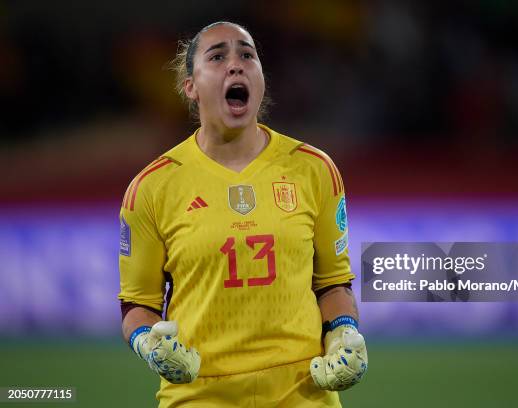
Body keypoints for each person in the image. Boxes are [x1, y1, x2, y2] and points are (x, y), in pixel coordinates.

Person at [117, 21, 368, 407]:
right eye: (217, 56)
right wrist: (149, 345)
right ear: (191, 86)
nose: (236, 65)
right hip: (200, 394)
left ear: (261, 79)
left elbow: (334, 283)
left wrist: (343, 332)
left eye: (247, 55)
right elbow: (138, 306)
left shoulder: (314, 170)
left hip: (303, 393)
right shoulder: (152, 189)